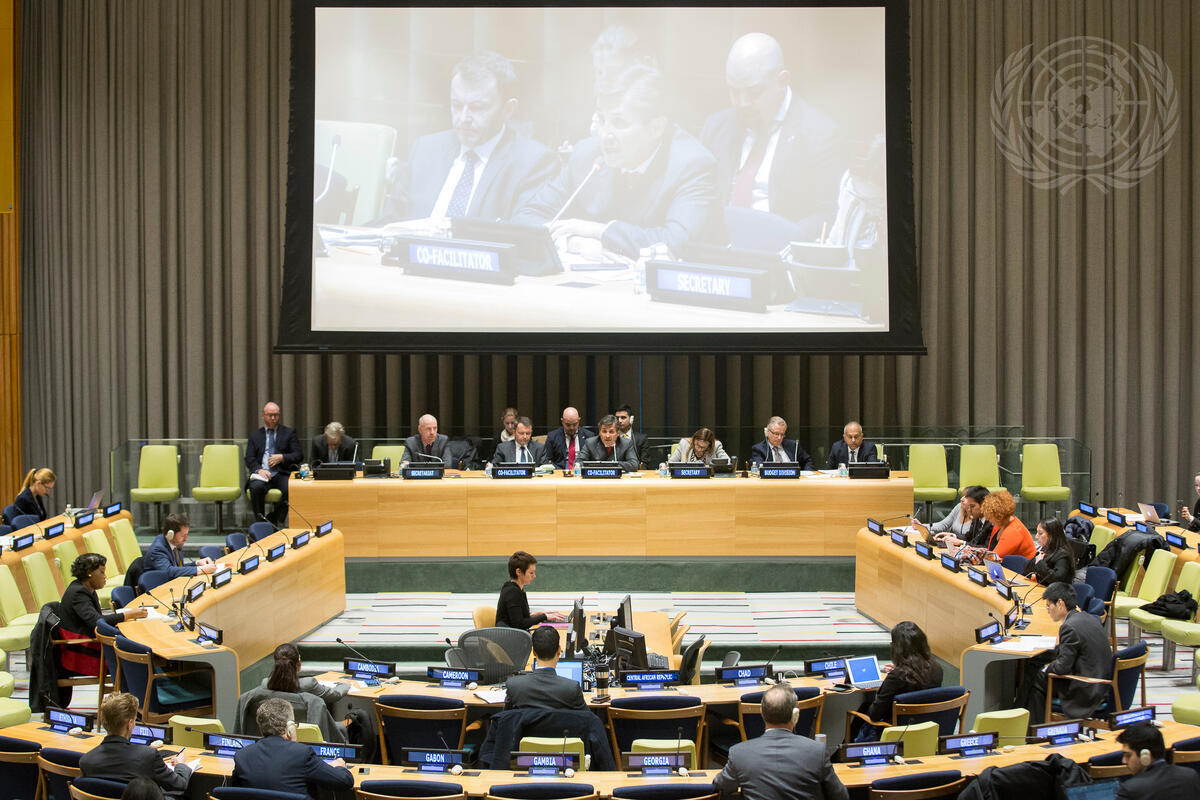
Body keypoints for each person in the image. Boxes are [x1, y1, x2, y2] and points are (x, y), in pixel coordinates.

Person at [513, 65, 727, 259]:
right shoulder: (587, 155)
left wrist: (599, 231)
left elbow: (676, 243)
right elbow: (526, 218)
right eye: (601, 120)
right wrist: (575, 242)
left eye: (619, 123)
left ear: (657, 128)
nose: (605, 135)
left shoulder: (692, 165)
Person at [376, 52, 556, 224]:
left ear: (508, 109)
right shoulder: (425, 149)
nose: (463, 119)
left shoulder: (533, 163)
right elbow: (390, 222)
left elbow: (523, 235)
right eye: (456, 105)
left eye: (477, 108)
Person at [700, 32, 845, 238]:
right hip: (719, 245)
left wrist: (782, 239)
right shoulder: (716, 127)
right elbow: (698, 196)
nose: (742, 103)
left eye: (754, 93)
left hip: (780, 249)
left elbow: (828, 213)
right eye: (734, 91)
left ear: (783, 80)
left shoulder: (820, 134)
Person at [714, 681, 848, 800]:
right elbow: (841, 796)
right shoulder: (817, 751)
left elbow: (721, 786)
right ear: (796, 715)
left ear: (761, 713)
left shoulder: (739, 753)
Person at [1019, 582, 1110, 723]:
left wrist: (1048, 667)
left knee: (1036, 678)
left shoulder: (1069, 627)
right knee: (1034, 670)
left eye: (1049, 606)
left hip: (1086, 688)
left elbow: (1062, 668)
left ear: (1060, 603)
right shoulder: (1086, 617)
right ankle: (1024, 720)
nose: (1048, 611)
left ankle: (1033, 728)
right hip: (1100, 681)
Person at [231, 697, 353, 797]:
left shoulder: (242, 756)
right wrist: (339, 767)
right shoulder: (303, 754)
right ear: (290, 728)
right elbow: (344, 781)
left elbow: (234, 794)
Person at [58, 553, 149, 679]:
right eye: (102, 572)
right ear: (89, 573)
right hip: (81, 651)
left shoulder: (85, 588)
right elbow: (97, 622)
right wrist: (127, 615)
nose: (105, 576)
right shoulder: (78, 593)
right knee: (135, 653)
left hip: (89, 642)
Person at [79, 692, 192, 795]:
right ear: (130, 724)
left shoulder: (86, 761)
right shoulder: (148, 756)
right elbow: (179, 785)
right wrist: (181, 765)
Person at [862, 621, 943, 726]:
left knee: (864, 708)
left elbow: (874, 714)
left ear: (897, 648)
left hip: (897, 730)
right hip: (927, 726)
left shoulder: (897, 677)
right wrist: (899, 669)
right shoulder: (937, 668)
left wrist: (893, 675)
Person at [245, 401, 302, 526]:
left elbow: (298, 455)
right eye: (270, 415)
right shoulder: (254, 435)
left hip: (281, 473)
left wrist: (282, 457)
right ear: (263, 415)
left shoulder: (289, 433)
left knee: (290, 488)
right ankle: (260, 524)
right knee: (256, 488)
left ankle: (275, 520)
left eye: (276, 415)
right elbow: (249, 458)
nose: (273, 418)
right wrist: (259, 470)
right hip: (262, 474)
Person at [504, 625, 587, 711]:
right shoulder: (571, 688)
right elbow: (589, 717)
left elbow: (505, 717)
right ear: (559, 651)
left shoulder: (514, 686)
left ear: (533, 652)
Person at [1115, 721, 1200, 795]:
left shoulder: (1130, 790)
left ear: (1145, 755)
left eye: (1128, 755)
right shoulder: (1190, 775)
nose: (1124, 761)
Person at [260, 642, 348, 714]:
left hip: (278, 727)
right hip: (307, 729)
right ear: (299, 663)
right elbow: (335, 695)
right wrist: (345, 684)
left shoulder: (266, 684)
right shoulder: (308, 684)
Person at [496, 551, 564, 629]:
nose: (534, 576)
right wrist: (544, 617)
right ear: (518, 572)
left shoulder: (512, 588)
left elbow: (516, 618)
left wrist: (537, 615)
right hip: (511, 635)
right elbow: (519, 624)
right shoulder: (512, 592)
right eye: (531, 573)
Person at [143, 513, 216, 578]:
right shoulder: (158, 549)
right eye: (183, 535)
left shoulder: (175, 543)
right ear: (170, 534)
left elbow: (179, 568)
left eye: (186, 534)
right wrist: (201, 569)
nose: (186, 538)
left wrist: (197, 563)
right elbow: (169, 572)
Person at [915, 486, 990, 545]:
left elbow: (987, 548)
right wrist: (953, 536)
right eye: (969, 506)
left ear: (983, 504)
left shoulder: (991, 522)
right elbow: (969, 538)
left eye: (972, 506)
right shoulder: (977, 517)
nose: (969, 509)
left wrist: (962, 542)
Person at [979, 490, 1036, 560]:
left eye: (990, 517)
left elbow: (992, 558)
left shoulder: (1013, 531)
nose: (988, 519)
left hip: (1021, 566)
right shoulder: (999, 524)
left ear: (999, 516)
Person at [749, 416, 815, 470]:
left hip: (793, 480)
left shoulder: (793, 446)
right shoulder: (759, 449)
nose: (779, 437)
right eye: (776, 434)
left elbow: (808, 461)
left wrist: (807, 473)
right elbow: (759, 467)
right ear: (767, 432)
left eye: (782, 434)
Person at [1023, 518, 1075, 585]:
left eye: (1040, 533)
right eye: (1037, 532)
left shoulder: (1063, 555)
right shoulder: (1045, 549)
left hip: (1057, 591)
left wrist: (1039, 562)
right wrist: (1036, 559)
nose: (1036, 537)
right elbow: (1026, 571)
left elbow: (1057, 579)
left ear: (1052, 535)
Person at [544, 407, 595, 471]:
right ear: (562, 421)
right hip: (560, 472)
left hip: (582, 472)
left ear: (579, 421)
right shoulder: (552, 437)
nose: (571, 428)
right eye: (568, 425)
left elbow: (593, 460)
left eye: (575, 424)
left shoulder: (589, 436)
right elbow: (547, 460)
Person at [614, 404, 649, 469]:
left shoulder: (641, 439)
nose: (619, 421)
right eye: (617, 418)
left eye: (623, 417)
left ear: (631, 419)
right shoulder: (611, 437)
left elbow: (645, 463)